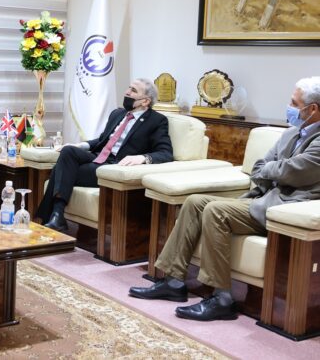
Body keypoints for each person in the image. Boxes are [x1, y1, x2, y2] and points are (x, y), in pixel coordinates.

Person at [129, 77, 320, 322]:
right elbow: (259, 166)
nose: (289, 107)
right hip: (261, 199)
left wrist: (273, 170)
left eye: (294, 103)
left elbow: (293, 171)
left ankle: (222, 299)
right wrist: (273, 170)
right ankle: (173, 281)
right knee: (195, 202)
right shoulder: (292, 133)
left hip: (284, 209)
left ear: (312, 109)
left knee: (216, 211)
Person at [37, 78, 173, 231]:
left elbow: (166, 153)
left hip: (114, 165)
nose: (127, 92)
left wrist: (142, 158)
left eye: (134, 91)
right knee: (68, 151)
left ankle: (54, 215)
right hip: (99, 156)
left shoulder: (157, 121)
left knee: (60, 169)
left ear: (145, 101)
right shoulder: (117, 114)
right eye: (129, 88)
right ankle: (56, 218)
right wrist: (80, 145)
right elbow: (103, 140)